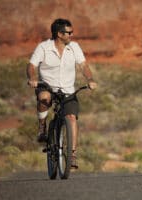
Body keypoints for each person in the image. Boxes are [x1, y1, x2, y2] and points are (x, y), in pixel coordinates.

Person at [26, 18, 97, 169]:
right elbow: (32, 65)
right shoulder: (44, 47)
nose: (71, 35)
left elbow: (83, 65)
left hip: (67, 90)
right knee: (44, 98)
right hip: (47, 86)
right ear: (59, 34)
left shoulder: (74, 47)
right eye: (69, 32)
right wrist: (32, 78)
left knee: (71, 118)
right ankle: (42, 126)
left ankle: (72, 155)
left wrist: (90, 79)